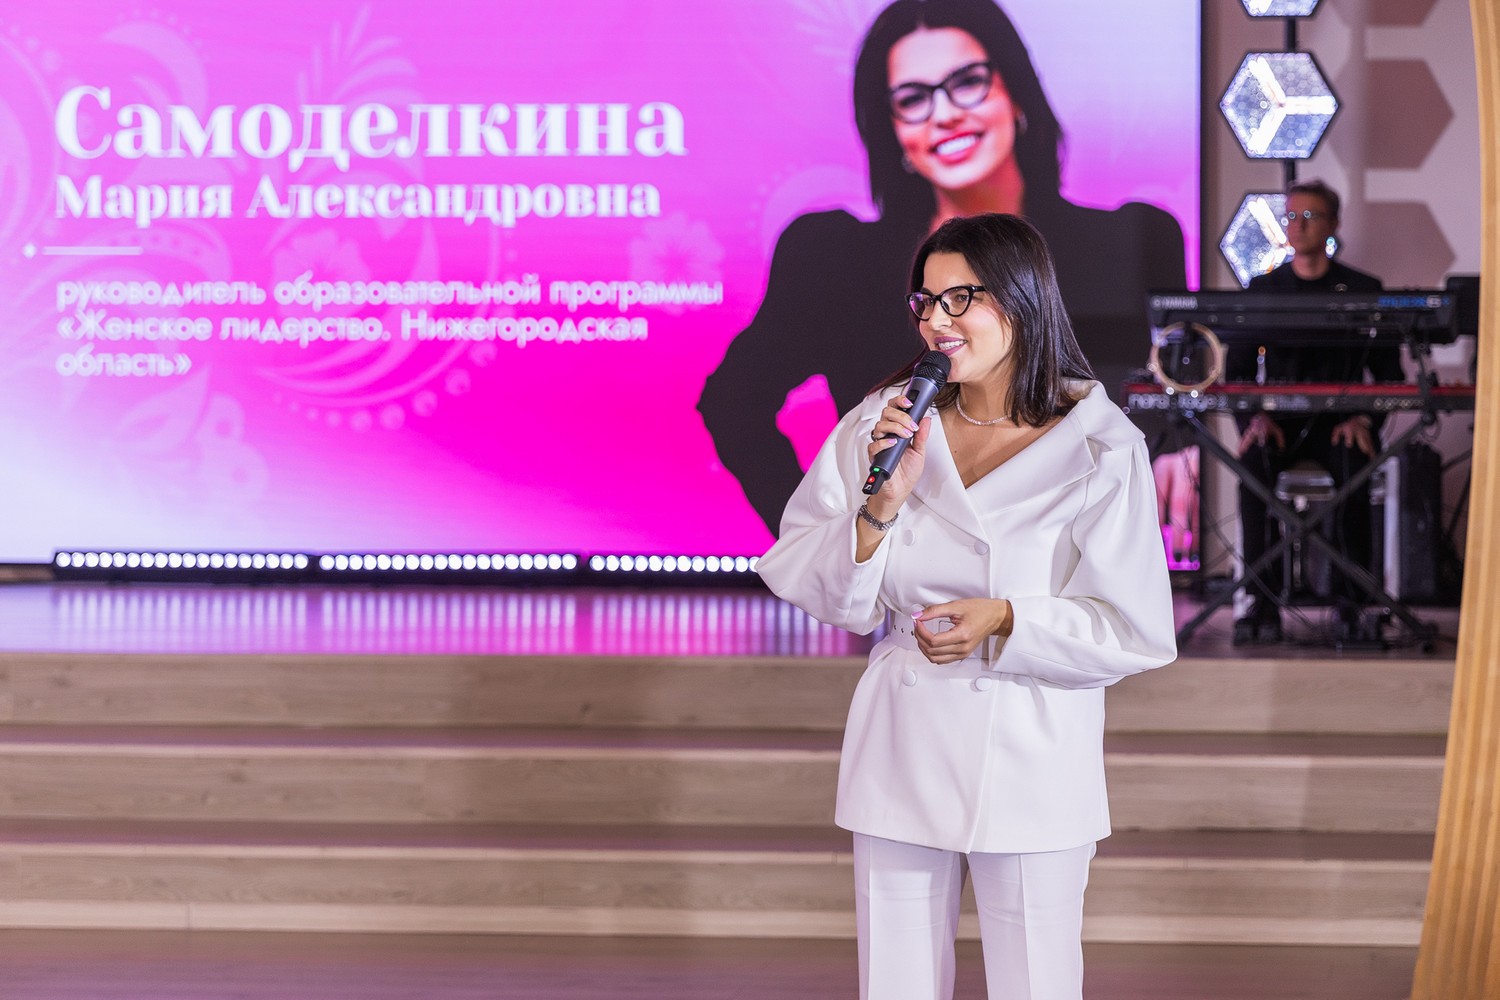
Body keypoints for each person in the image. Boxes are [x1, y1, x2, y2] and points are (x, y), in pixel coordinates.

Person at [756, 213, 1176, 1000]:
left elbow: (1135, 629)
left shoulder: (1101, 445)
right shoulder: (884, 421)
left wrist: (1009, 621)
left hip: (1035, 742)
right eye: (926, 301)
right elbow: (801, 569)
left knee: (1036, 981)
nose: (937, 321)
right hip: (904, 741)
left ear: (1023, 300)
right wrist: (880, 511)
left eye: (962, 299)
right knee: (897, 982)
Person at [699, 0, 1186, 535]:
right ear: (892, 131)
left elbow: (1178, 384)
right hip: (910, 560)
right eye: (913, 99)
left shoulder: (1129, 240)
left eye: (968, 82)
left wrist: (1175, 447)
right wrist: (828, 539)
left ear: (1015, 93)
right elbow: (733, 401)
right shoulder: (832, 258)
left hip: (1067, 546)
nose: (945, 113)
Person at [1231, 179, 1405, 644]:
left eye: (1310, 216)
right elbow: (1237, 372)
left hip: (1340, 426)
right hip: (1280, 425)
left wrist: (1365, 420)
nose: (1299, 225)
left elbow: (1389, 374)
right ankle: (1261, 603)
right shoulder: (1264, 290)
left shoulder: (1364, 289)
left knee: (1354, 467)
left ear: (1333, 225)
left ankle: (1352, 604)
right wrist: (1253, 421)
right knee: (1252, 470)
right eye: (1292, 216)